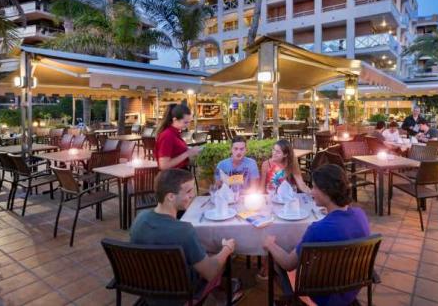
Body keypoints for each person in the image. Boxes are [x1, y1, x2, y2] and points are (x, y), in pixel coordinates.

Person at [130, 169, 243, 304]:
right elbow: (211, 272)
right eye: (188, 191)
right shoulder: (184, 231)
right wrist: (227, 249)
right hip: (180, 296)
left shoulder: (140, 218)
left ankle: (219, 295)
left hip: (149, 289)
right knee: (218, 257)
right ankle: (222, 295)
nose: (193, 195)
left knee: (203, 253)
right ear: (170, 196)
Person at [263, 164, 370, 306]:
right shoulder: (360, 215)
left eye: (314, 187)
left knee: (278, 260)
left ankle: (290, 300)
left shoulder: (317, 229)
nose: (311, 192)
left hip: (321, 296)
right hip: (349, 288)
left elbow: (288, 264)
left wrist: (270, 245)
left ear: (326, 191)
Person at [155, 103, 202, 171]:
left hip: (179, 173)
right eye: (185, 122)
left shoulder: (175, 133)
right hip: (173, 176)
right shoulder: (167, 135)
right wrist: (187, 153)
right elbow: (164, 165)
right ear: (175, 120)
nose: (188, 125)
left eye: (189, 122)